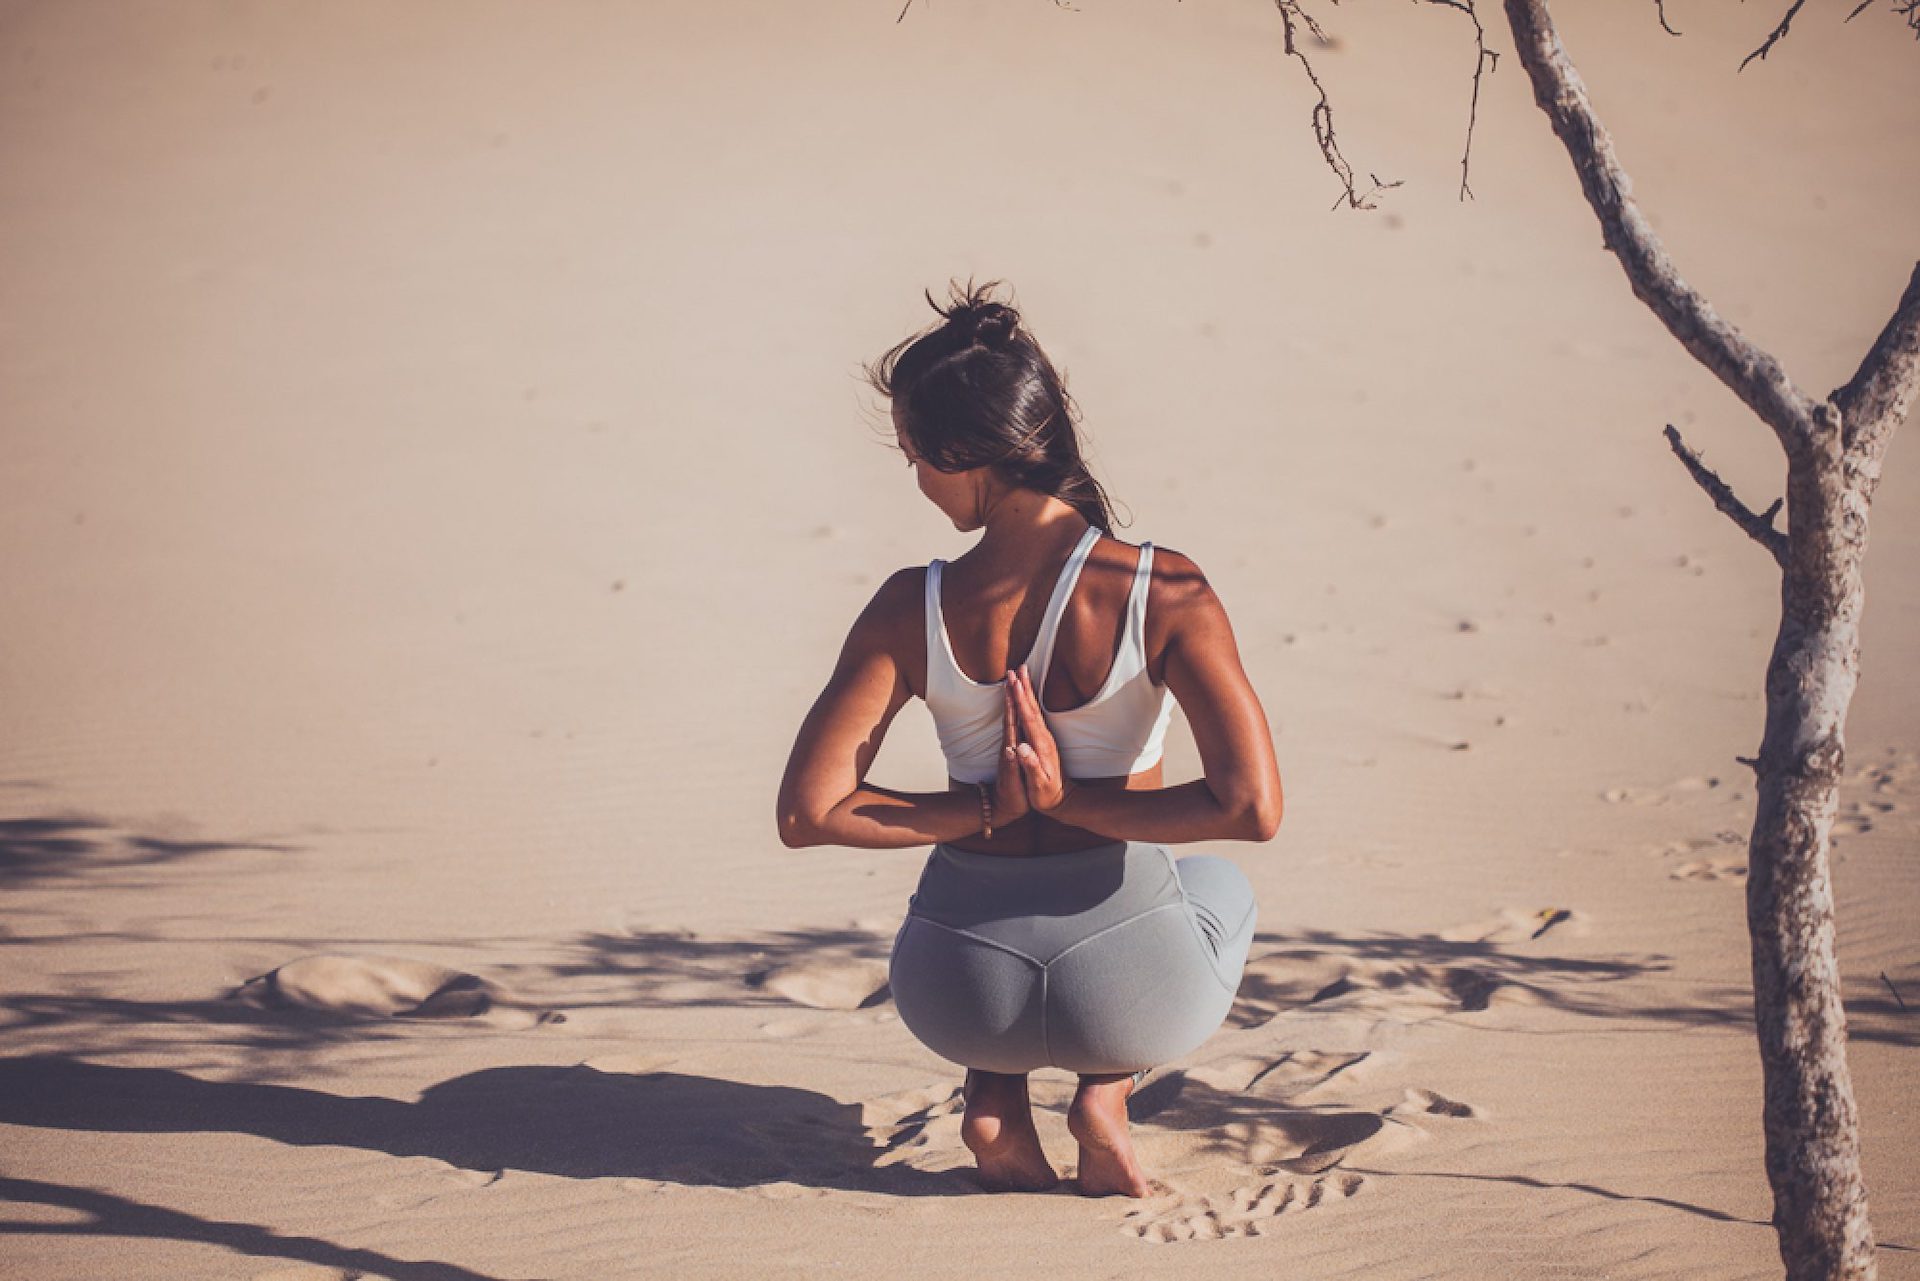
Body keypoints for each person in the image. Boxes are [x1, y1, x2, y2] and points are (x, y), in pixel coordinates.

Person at [775, 280, 1283, 1198]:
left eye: (914, 459)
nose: (918, 482)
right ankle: (1106, 1094)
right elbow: (1251, 806)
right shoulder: (1163, 590)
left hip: (957, 991)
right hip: (1132, 990)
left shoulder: (909, 604)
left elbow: (808, 813)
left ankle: (994, 1090)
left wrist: (985, 806)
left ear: (964, 452)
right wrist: (1075, 800)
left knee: (983, 899)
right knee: (1222, 882)